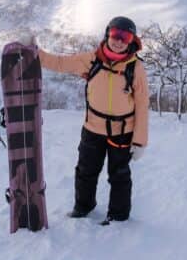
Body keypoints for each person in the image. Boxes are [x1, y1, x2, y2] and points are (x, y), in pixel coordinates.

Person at [23, 16, 149, 223]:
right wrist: (34, 51)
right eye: (115, 34)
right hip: (93, 128)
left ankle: (118, 216)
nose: (119, 40)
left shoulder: (135, 68)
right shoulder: (92, 60)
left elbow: (142, 105)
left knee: (119, 176)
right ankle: (83, 207)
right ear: (108, 34)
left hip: (122, 131)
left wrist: (140, 141)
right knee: (85, 172)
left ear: (131, 40)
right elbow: (60, 63)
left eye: (125, 36)